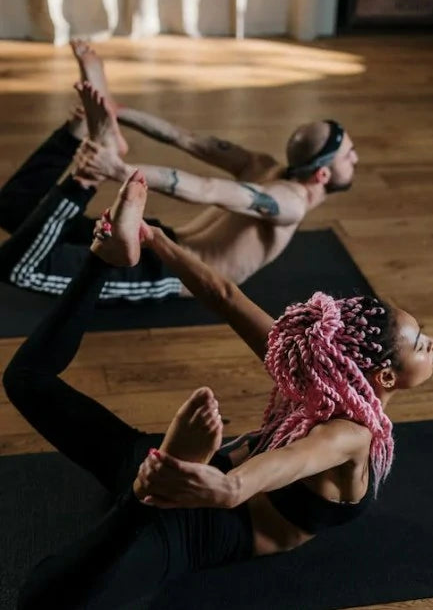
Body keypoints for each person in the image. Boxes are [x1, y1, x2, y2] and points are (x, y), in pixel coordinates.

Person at [3, 171, 432, 609]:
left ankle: (103, 260)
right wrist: (199, 480)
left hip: (185, 467)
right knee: (40, 602)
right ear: (384, 377)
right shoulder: (351, 434)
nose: (429, 342)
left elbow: (224, 295)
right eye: (421, 343)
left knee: (25, 381)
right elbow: (251, 481)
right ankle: (148, 492)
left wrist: (153, 238)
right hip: (190, 527)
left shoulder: (304, 368)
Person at [0, 40, 358, 300]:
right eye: (349, 155)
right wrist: (118, 165)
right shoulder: (288, 202)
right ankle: (86, 170)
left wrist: (117, 118)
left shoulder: (264, 167)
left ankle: (76, 134)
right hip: (166, 271)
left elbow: (182, 138)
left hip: (158, 240)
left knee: (14, 212)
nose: (355, 160)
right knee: (17, 265)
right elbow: (203, 187)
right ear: (322, 175)